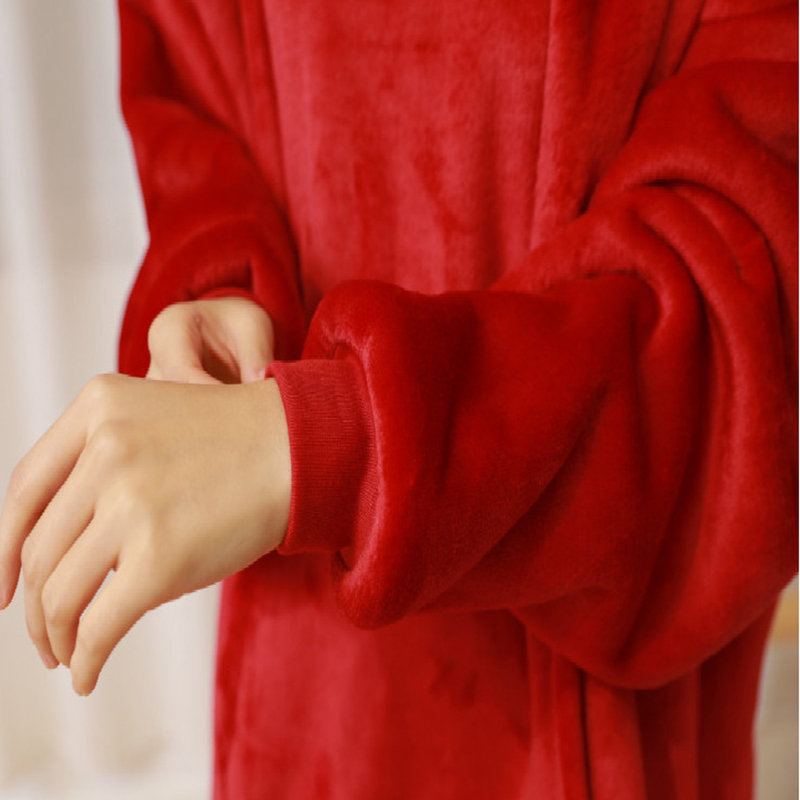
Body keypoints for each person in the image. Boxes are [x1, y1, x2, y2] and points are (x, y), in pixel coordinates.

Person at [0, 0, 796, 797]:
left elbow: (753, 306)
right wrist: (218, 283)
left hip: (584, 721)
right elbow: (194, 96)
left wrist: (331, 440)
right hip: (300, 696)